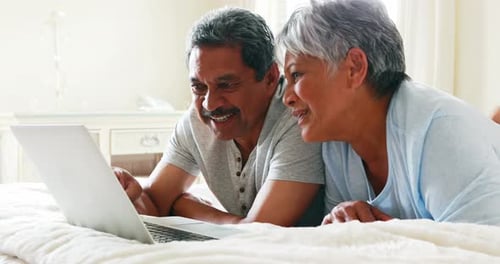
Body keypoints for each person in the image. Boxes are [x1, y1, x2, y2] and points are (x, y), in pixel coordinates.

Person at [277, 0, 500, 225]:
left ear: (355, 67)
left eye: (296, 75)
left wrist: (393, 232)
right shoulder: (337, 147)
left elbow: (485, 247)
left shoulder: (441, 131)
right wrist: (345, 218)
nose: (287, 98)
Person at [115, 7, 325, 227]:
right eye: (198, 87)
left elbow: (259, 233)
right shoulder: (195, 123)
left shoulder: (298, 119)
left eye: (226, 85)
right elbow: (153, 205)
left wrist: (185, 207)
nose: (209, 103)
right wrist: (127, 192)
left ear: (271, 77)